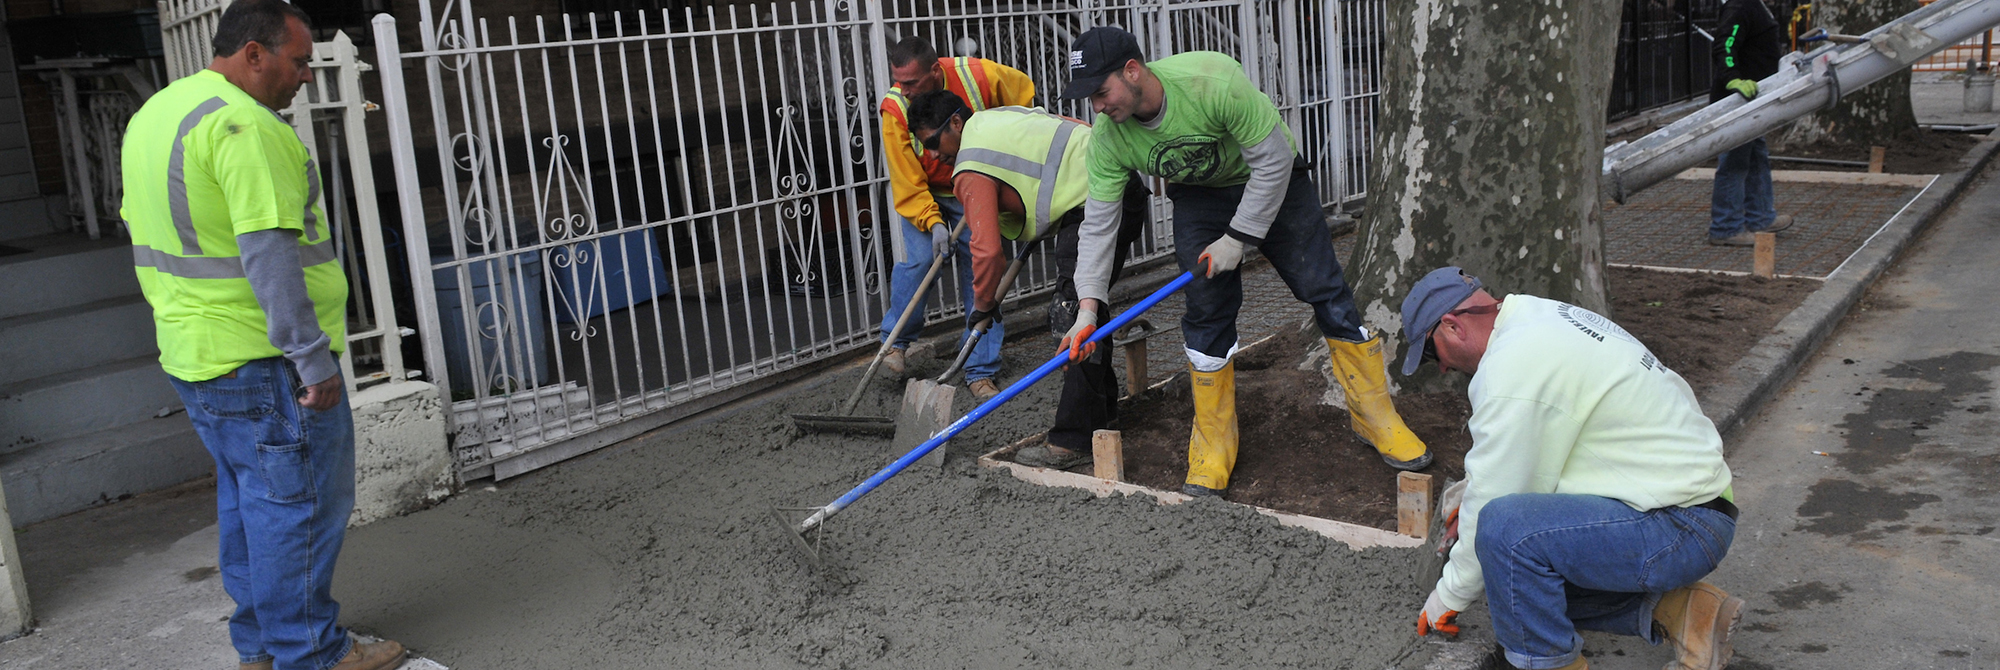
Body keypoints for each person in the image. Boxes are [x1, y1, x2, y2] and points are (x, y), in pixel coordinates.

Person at [119, 1, 404, 668]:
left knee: (250, 505)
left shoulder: (157, 115)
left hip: (197, 357)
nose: (306, 76)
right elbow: (269, 254)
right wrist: (314, 363)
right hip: (264, 362)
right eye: (298, 61)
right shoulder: (244, 126)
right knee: (296, 510)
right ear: (254, 52)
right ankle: (311, 651)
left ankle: (261, 648)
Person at [1056, 27, 1431, 497]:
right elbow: (1099, 224)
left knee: (1324, 288)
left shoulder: (1211, 80)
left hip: (1273, 178)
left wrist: (1238, 238)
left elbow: (1272, 160)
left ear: (1132, 71)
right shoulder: (1109, 138)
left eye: (1100, 91)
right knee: (1205, 310)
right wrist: (1088, 310)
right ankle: (1215, 441)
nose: (1096, 107)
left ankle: (1375, 415)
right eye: (1088, 97)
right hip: (1200, 196)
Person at [1401, 267, 1743, 670]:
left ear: (1452, 326)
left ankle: (1549, 665)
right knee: (1511, 579)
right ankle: (1685, 612)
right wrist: (1470, 497)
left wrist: (1449, 596)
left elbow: (1497, 501)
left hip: (1679, 526)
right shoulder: (1538, 318)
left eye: (1430, 354)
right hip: (1693, 509)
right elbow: (1530, 455)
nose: (1440, 368)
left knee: (1504, 534)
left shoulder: (1512, 366)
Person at [904, 89, 1149, 468]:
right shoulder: (992, 122)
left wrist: (984, 306)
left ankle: (1073, 440)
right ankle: (1102, 417)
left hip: (1096, 199)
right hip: (1118, 185)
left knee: (1072, 314)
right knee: (1088, 308)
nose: (933, 155)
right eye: (925, 149)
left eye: (934, 143)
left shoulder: (971, 164)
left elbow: (986, 252)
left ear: (956, 122)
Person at [875, 36, 1035, 399]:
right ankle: (895, 343)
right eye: (898, 81)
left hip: (973, 183)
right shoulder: (895, 109)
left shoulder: (978, 76)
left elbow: (1024, 97)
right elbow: (906, 181)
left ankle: (980, 368)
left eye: (911, 83)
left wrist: (1002, 148)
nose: (903, 90)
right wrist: (933, 223)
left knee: (980, 268)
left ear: (935, 71)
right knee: (918, 261)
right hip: (926, 191)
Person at [1707, 0, 1792, 247]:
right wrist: (1733, 79)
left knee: (1756, 157)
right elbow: (1725, 45)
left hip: (1755, 99)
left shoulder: (1752, 5)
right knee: (1735, 162)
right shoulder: (1740, 6)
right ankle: (1725, 227)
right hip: (1739, 99)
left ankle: (1761, 217)